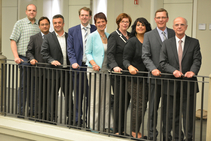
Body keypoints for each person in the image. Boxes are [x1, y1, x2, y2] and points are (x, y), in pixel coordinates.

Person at [160, 17, 202, 141]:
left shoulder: (194, 42)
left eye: (182, 24)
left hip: (188, 84)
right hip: (171, 84)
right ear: (173, 27)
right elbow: (162, 62)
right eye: (177, 25)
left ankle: (189, 138)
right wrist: (173, 71)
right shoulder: (166, 43)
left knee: (188, 115)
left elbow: (197, 60)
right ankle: (178, 137)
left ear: (186, 27)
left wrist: (193, 71)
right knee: (173, 114)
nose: (179, 27)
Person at [142, 8, 175, 140]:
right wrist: (152, 69)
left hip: (170, 78)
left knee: (169, 110)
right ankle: (152, 134)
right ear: (155, 19)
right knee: (153, 110)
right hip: (155, 77)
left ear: (167, 19)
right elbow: (145, 56)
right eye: (158, 17)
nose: (161, 19)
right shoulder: (148, 35)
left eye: (163, 17)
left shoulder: (173, 33)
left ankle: (167, 134)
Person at [67, 7, 96, 125]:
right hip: (78, 67)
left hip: (92, 66)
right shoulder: (72, 30)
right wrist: (73, 62)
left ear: (90, 17)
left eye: (86, 15)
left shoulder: (95, 29)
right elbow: (70, 49)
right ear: (79, 16)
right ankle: (78, 119)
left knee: (91, 94)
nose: (84, 17)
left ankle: (90, 119)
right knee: (78, 94)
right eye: (82, 15)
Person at [123, 17, 151, 139]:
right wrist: (129, 67)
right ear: (135, 27)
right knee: (138, 105)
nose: (140, 27)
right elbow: (125, 59)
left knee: (143, 105)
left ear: (146, 27)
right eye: (138, 25)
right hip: (134, 78)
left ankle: (137, 130)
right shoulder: (132, 41)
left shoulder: (149, 40)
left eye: (143, 25)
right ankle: (134, 132)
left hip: (147, 78)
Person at [10, 4, 40, 116]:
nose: (32, 12)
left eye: (34, 10)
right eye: (29, 10)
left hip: (36, 60)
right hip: (24, 59)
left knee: (34, 87)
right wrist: (16, 56)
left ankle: (32, 111)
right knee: (24, 86)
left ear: (36, 12)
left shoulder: (39, 24)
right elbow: (13, 40)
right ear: (26, 11)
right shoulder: (20, 23)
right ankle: (21, 111)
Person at [41, 14, 72, 123]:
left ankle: (71, 118)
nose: (57, 25)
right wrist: (51, 60)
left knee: (68, 96)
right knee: (52, 96)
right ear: (53, 25)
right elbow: (44, 52)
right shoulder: (48, 37)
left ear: (63, 24)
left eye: (59, 22)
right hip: (53, 72)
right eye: (55, 23)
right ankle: (52, 118)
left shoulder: (69, 36)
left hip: (67, 72)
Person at [85, 12, 112, 132]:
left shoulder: (109, 36)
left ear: (106, 22)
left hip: (106, 71)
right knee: (95, 99)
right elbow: (88, 53)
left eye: (103, 21)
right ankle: (93, 125)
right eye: (98, 22)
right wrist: (94, 64)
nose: (101, 24)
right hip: (94, 70)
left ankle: (106, 124)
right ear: (95, 24)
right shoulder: (92, 36)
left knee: (106, 99)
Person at [107, 13, 132, 135]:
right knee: (118, 102)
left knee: (126, 102)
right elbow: (110, 54)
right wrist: (114, 66)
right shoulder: (114, 36)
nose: (125, 24)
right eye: (123, 22)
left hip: (129, 73)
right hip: (117, 74)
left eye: (127, 22)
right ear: (118, 23)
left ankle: (122, 129)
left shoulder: (131, 36)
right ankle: (117, 130)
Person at [26, 16, 50, 119]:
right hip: (38, 70)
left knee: (49, 94)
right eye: (42, 24)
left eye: (46, 24)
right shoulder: (34, 38)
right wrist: (31, 59)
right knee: (38, 94)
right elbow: (29, 51)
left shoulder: (53, 37)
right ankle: (38, 114)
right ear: (39, 26)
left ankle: (48, 115)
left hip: (51, 71)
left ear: (49, 25)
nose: (44, 26)